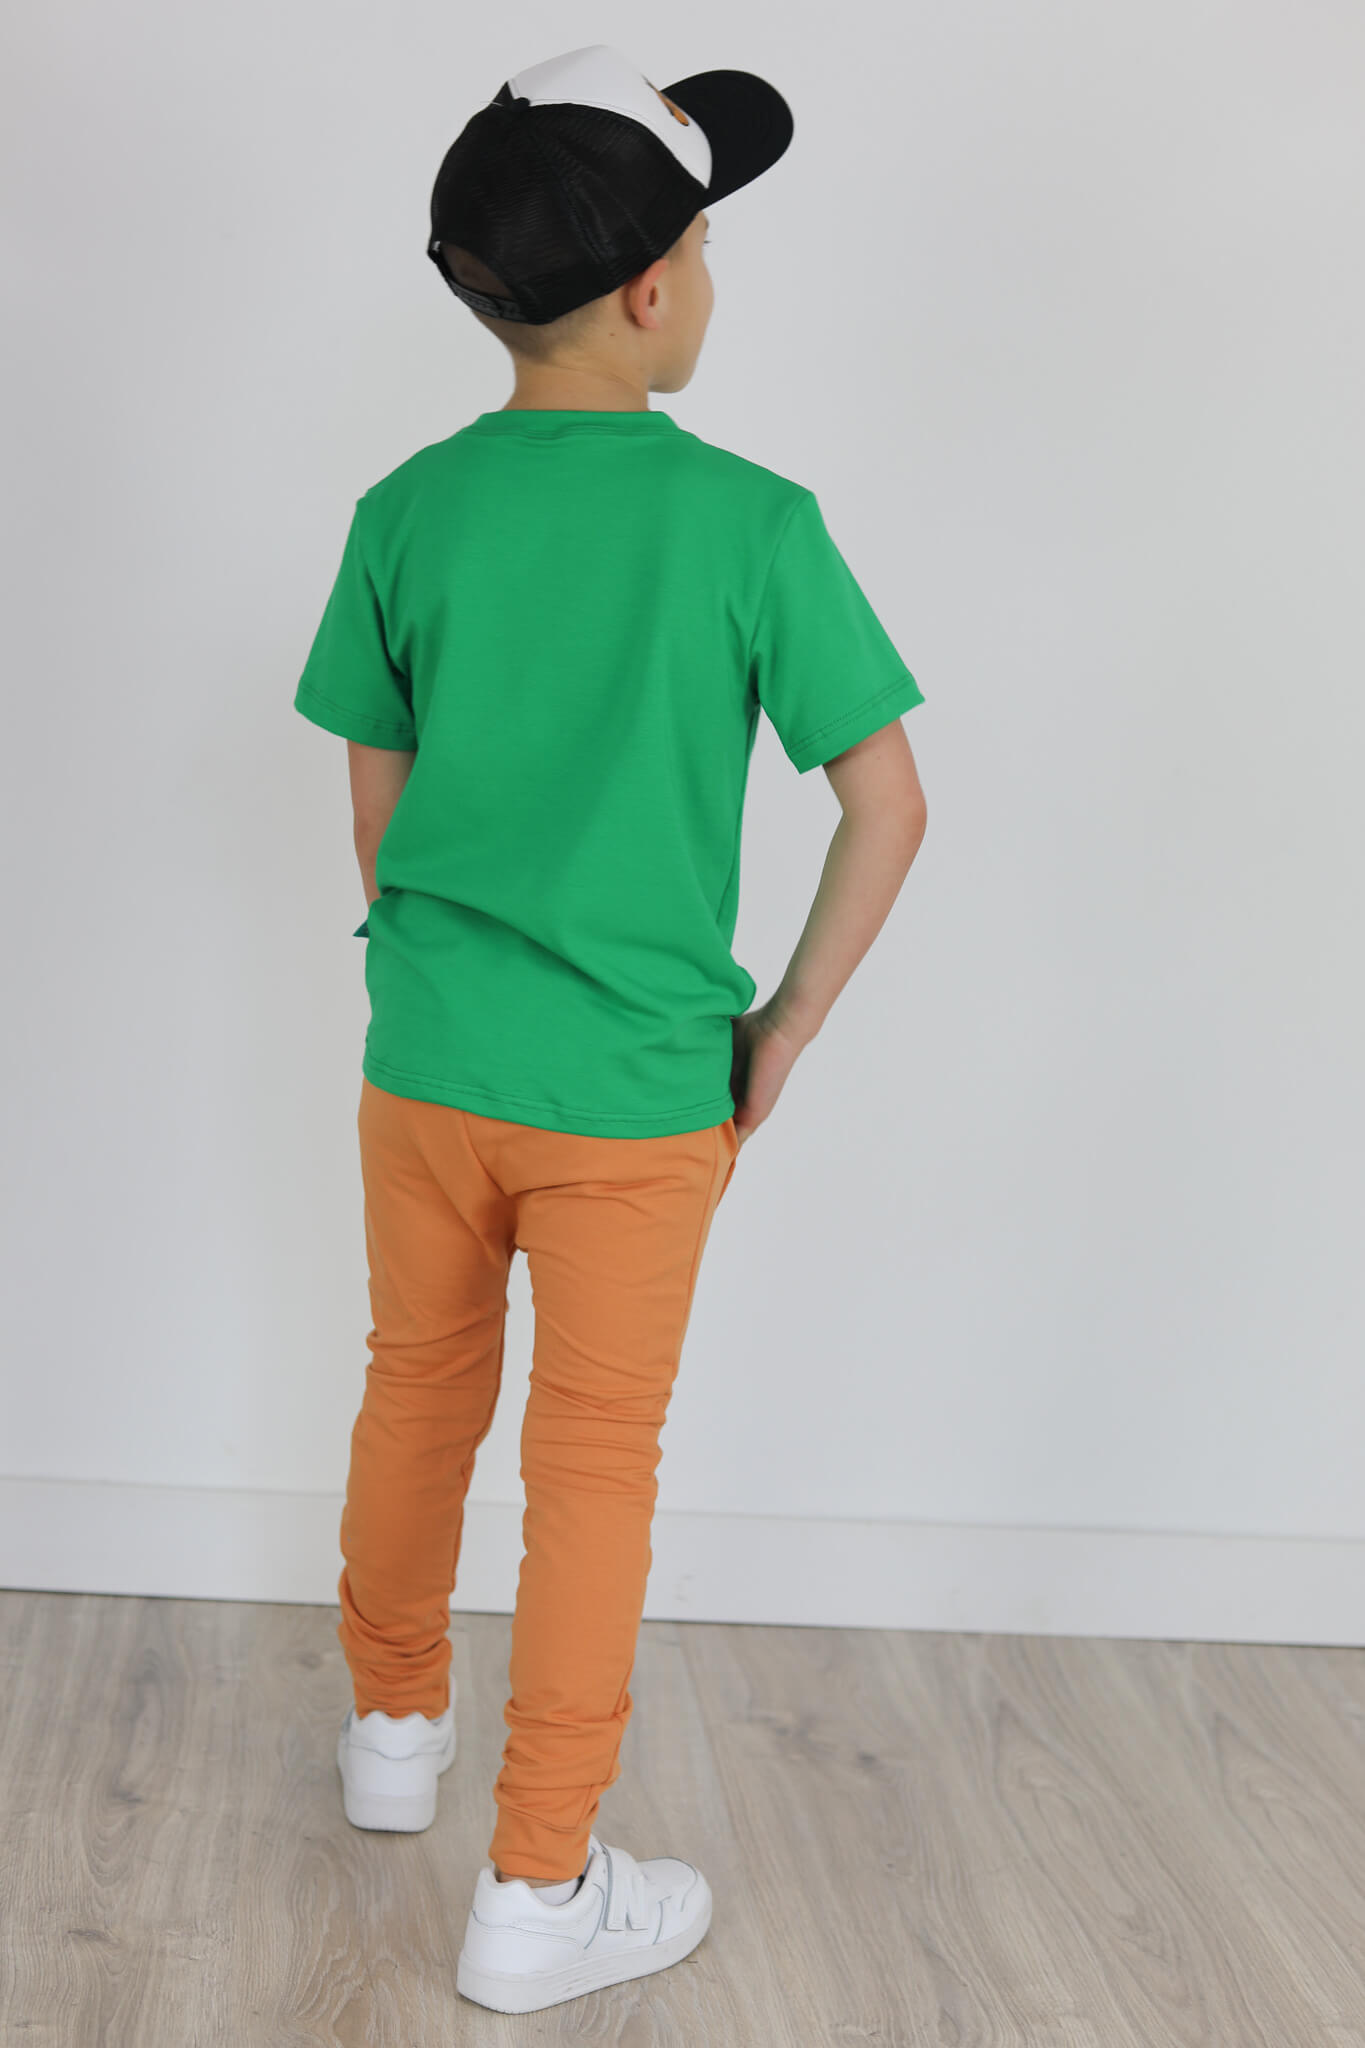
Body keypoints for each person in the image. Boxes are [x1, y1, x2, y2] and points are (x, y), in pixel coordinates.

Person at [294, 42, 927, 2016]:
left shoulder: (406, 508)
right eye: (707, 248)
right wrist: (780, 1031)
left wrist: (428, 961)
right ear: (651, 290)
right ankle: (536, 1886)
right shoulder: (751, 524)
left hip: (426, 1067)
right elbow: (886, 804)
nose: (710, 281)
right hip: (638, 1097)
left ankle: (391, 1730)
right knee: (592, 1468)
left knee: (413, 1389)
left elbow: (377, 793)